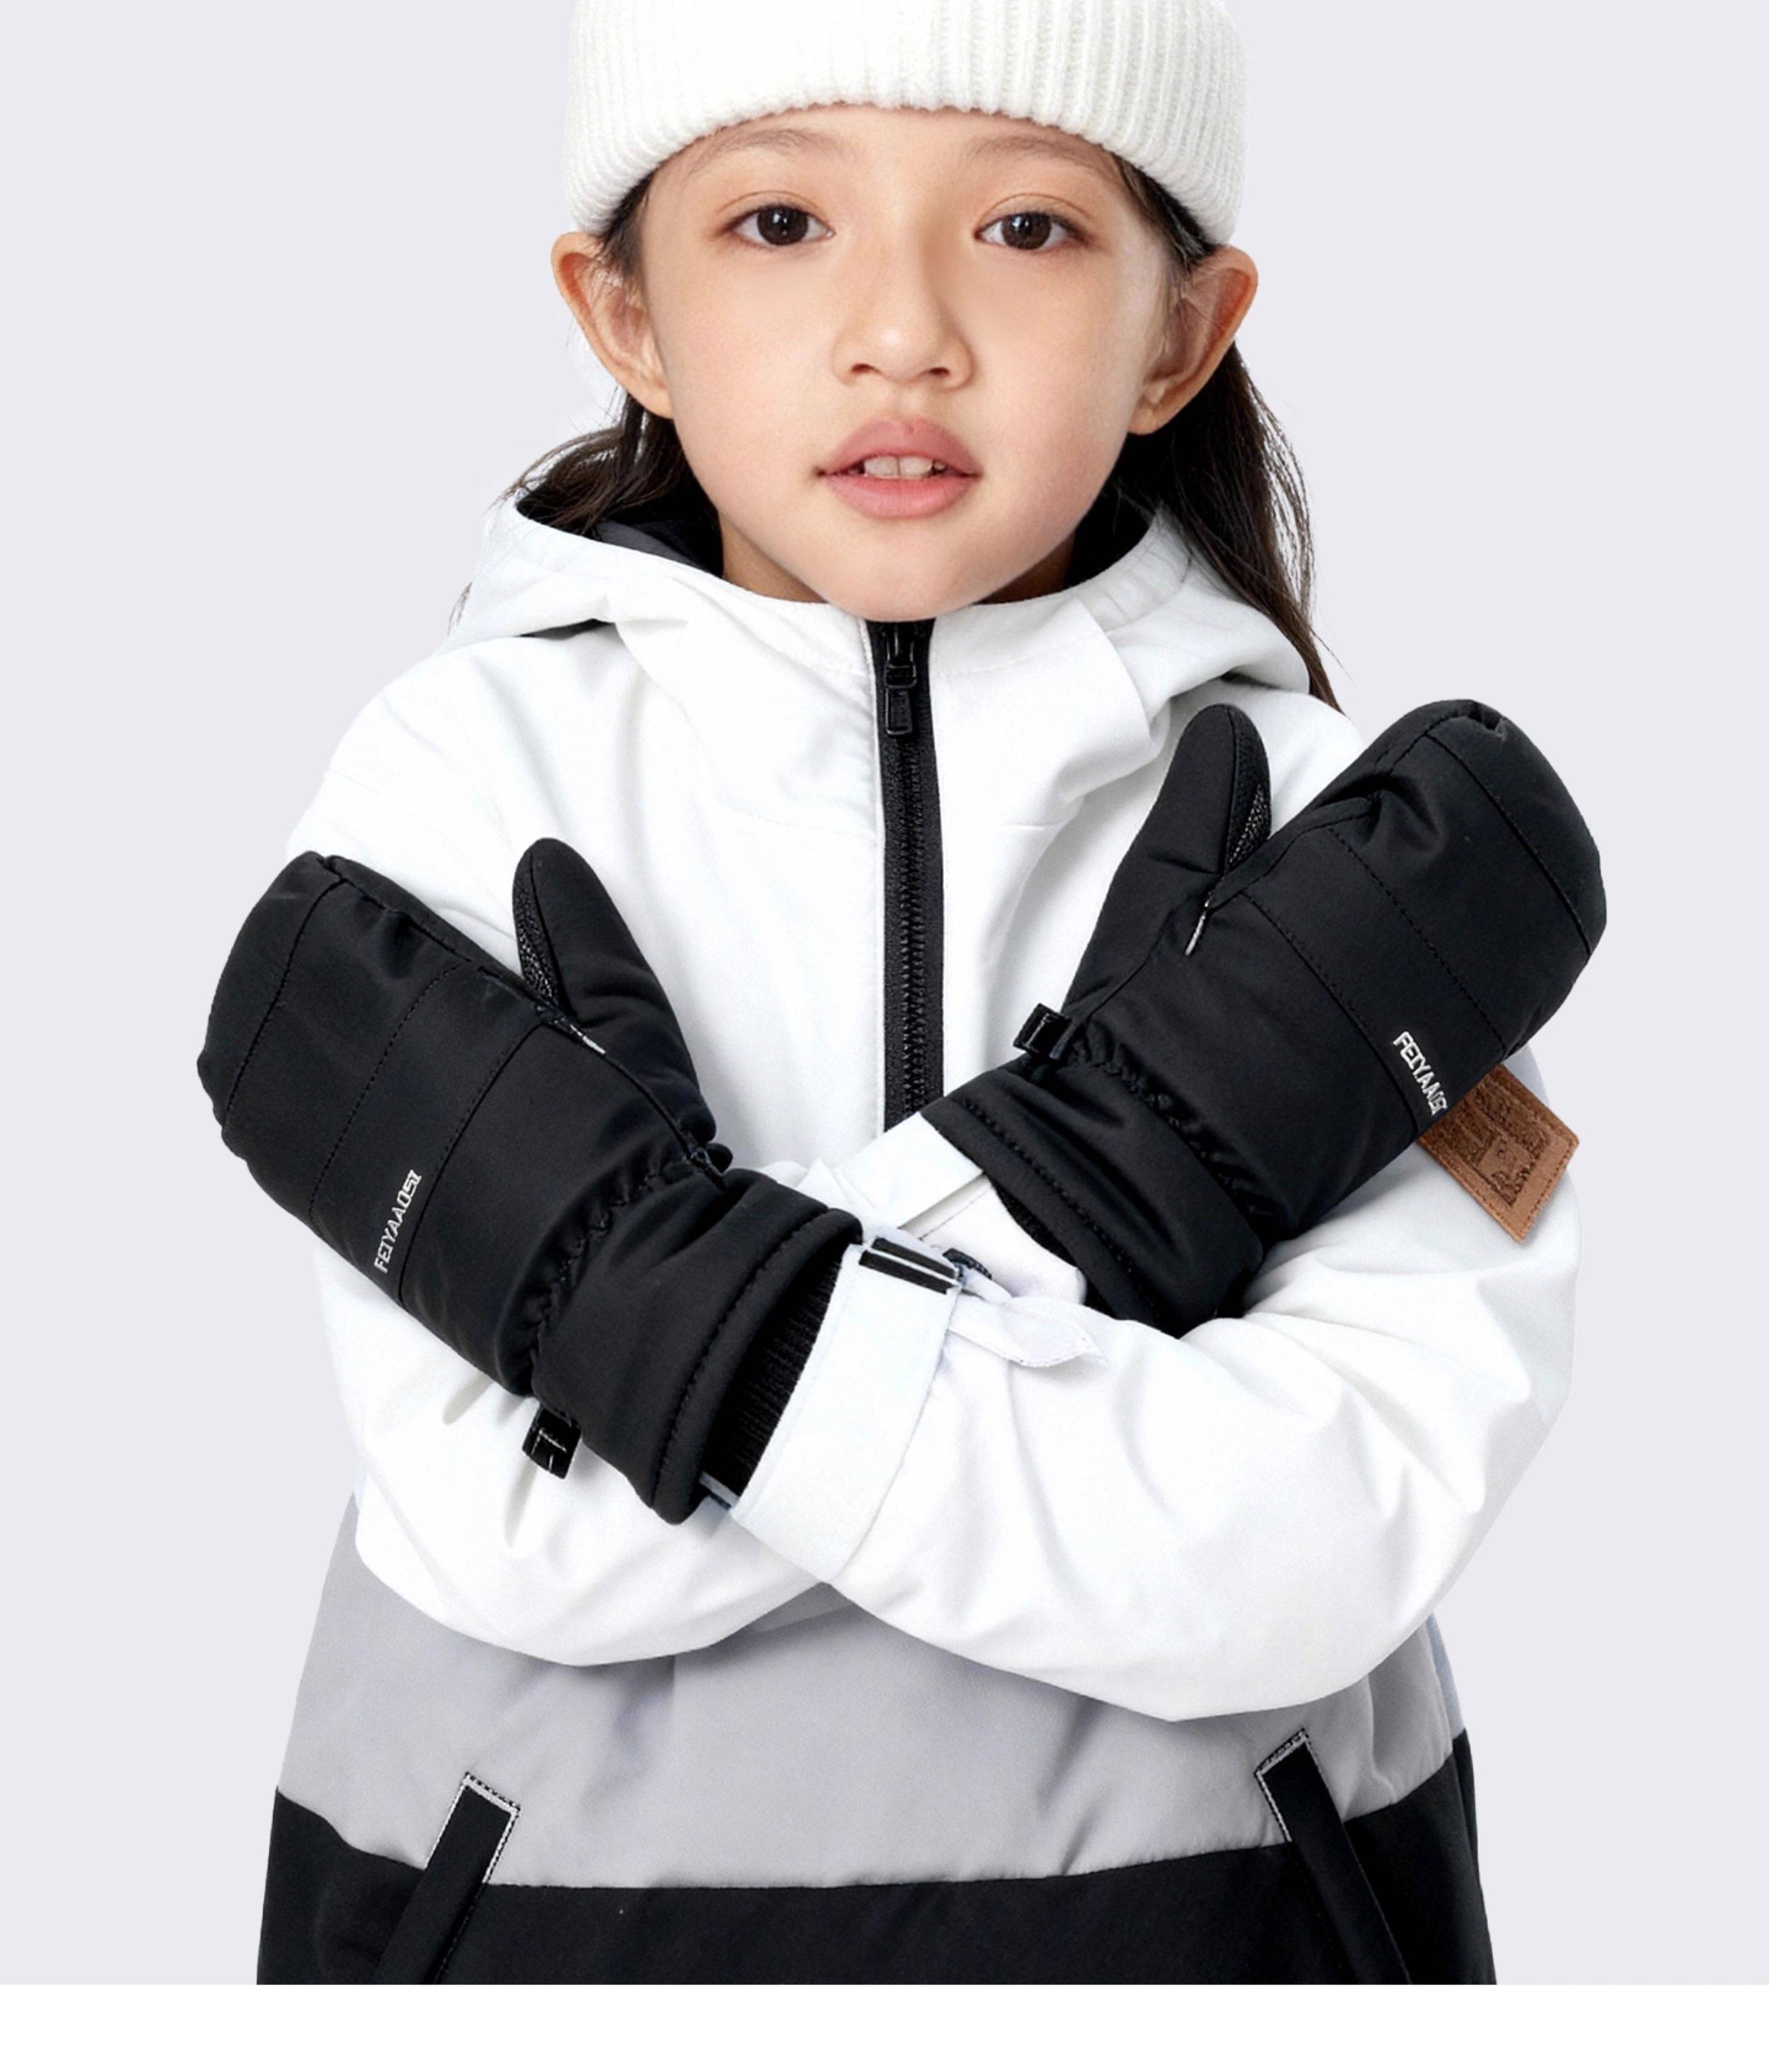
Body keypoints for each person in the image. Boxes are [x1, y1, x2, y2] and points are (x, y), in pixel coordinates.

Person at [230, 0, 1586, 1982]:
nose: (903, 333)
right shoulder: (454, 778)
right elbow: (505, 1533)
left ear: (1181, 333)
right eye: (781, 224)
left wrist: (655, 1303)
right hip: (537, 1948)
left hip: (1225, 1945)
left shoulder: (1329, 826)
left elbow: (1322, 1538)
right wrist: (1113, 1186)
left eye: (1025, 229)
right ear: (623, 313)